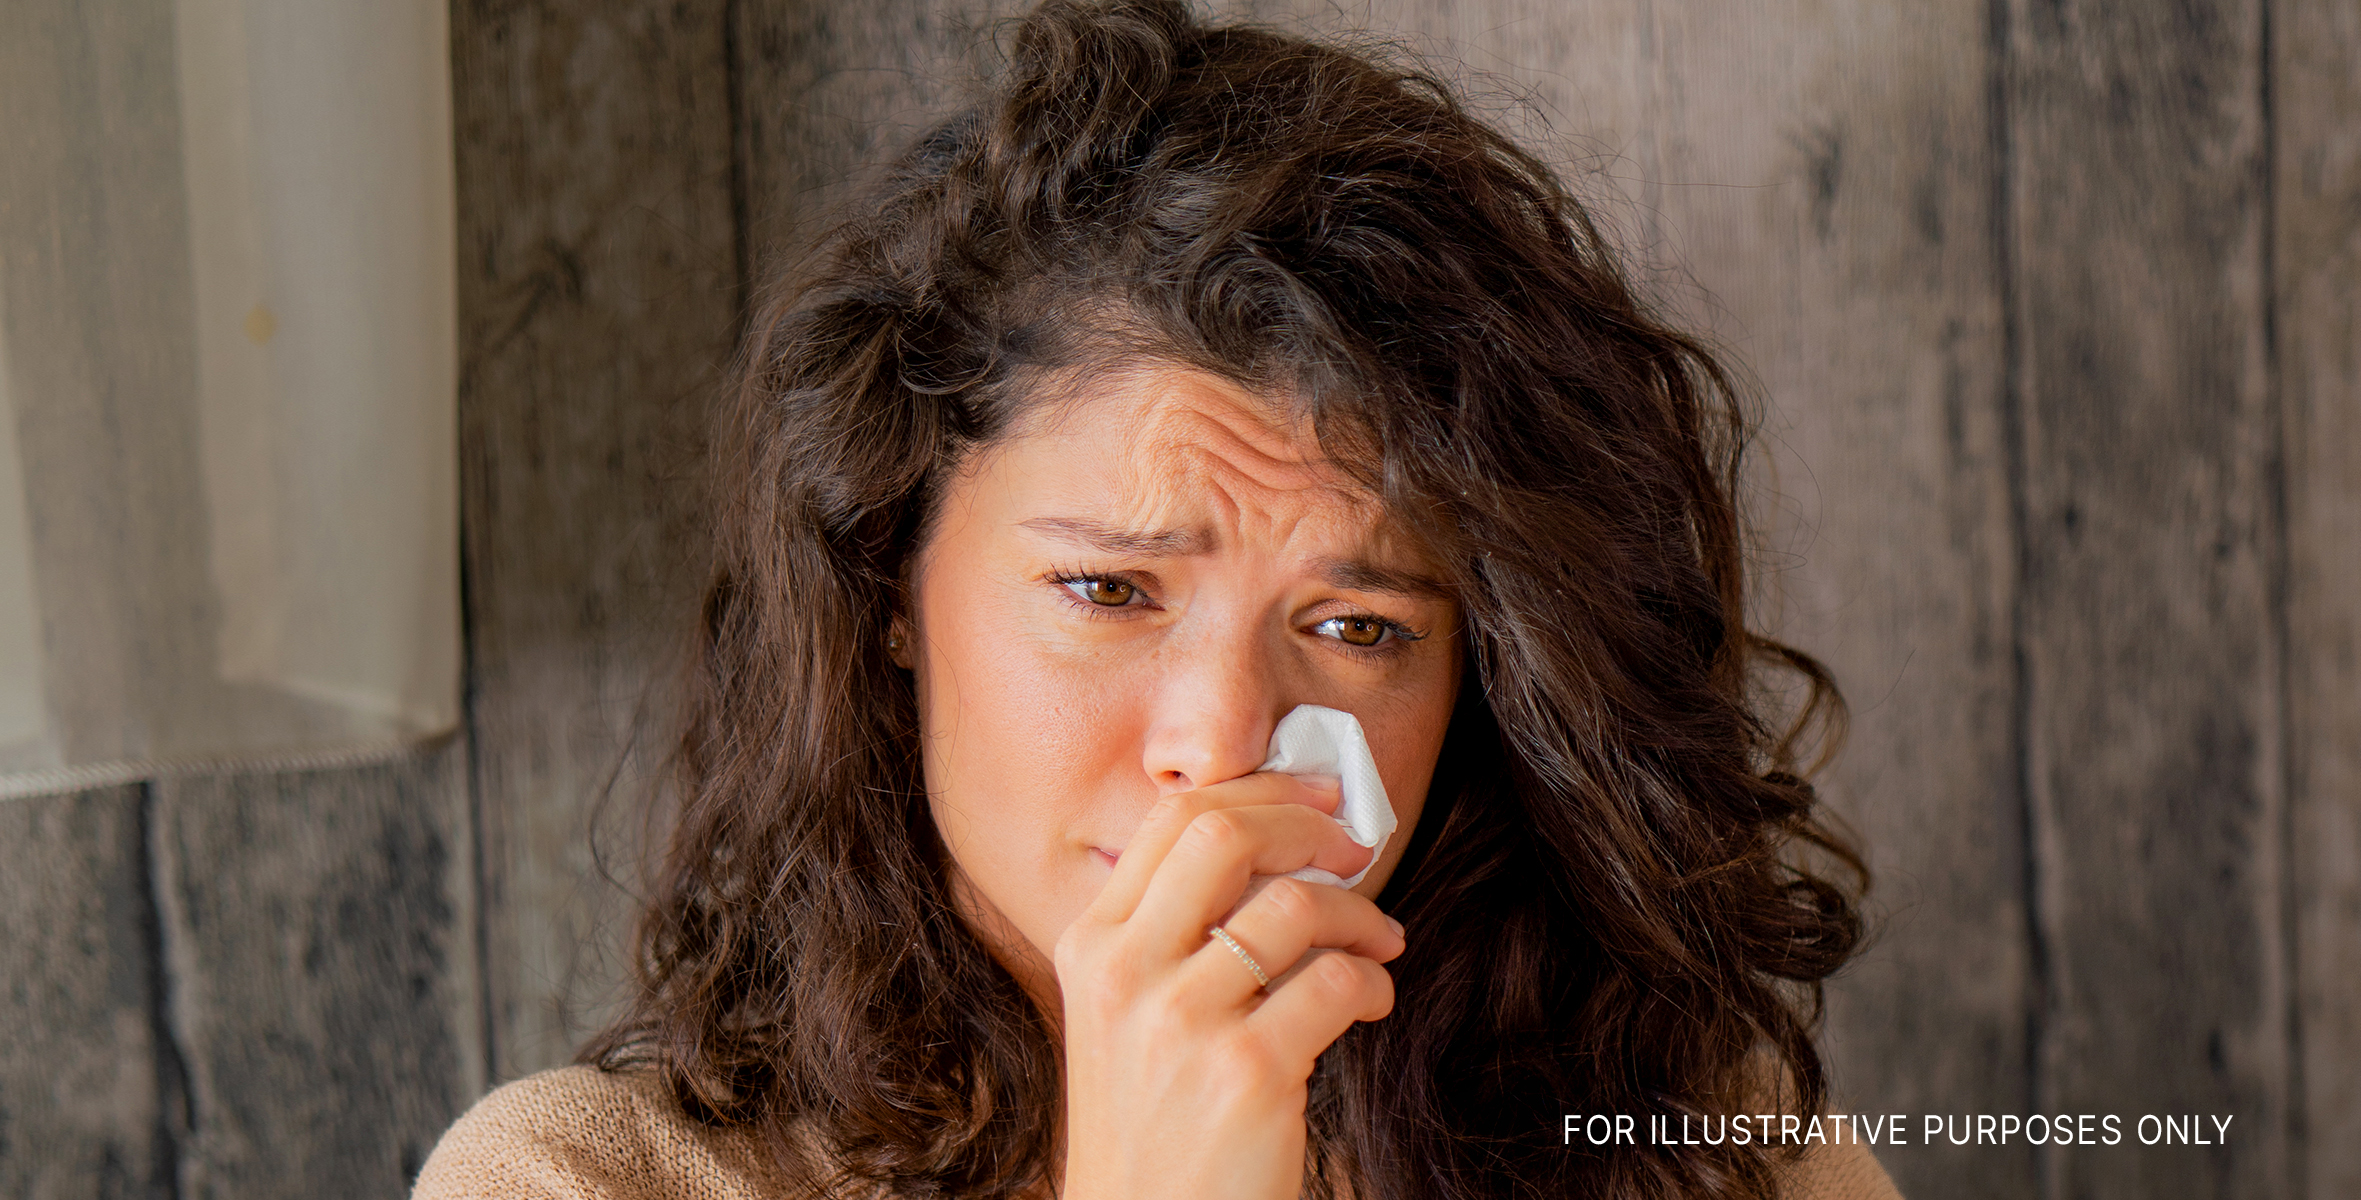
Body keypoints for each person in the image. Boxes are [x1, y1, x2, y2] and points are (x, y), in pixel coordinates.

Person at [414, 1, 1900, 1196]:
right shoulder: (582, 1181)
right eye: (1110, 590)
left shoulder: (1698, 1146)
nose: (1224, 742)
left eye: (1361, 627)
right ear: (887, 589)